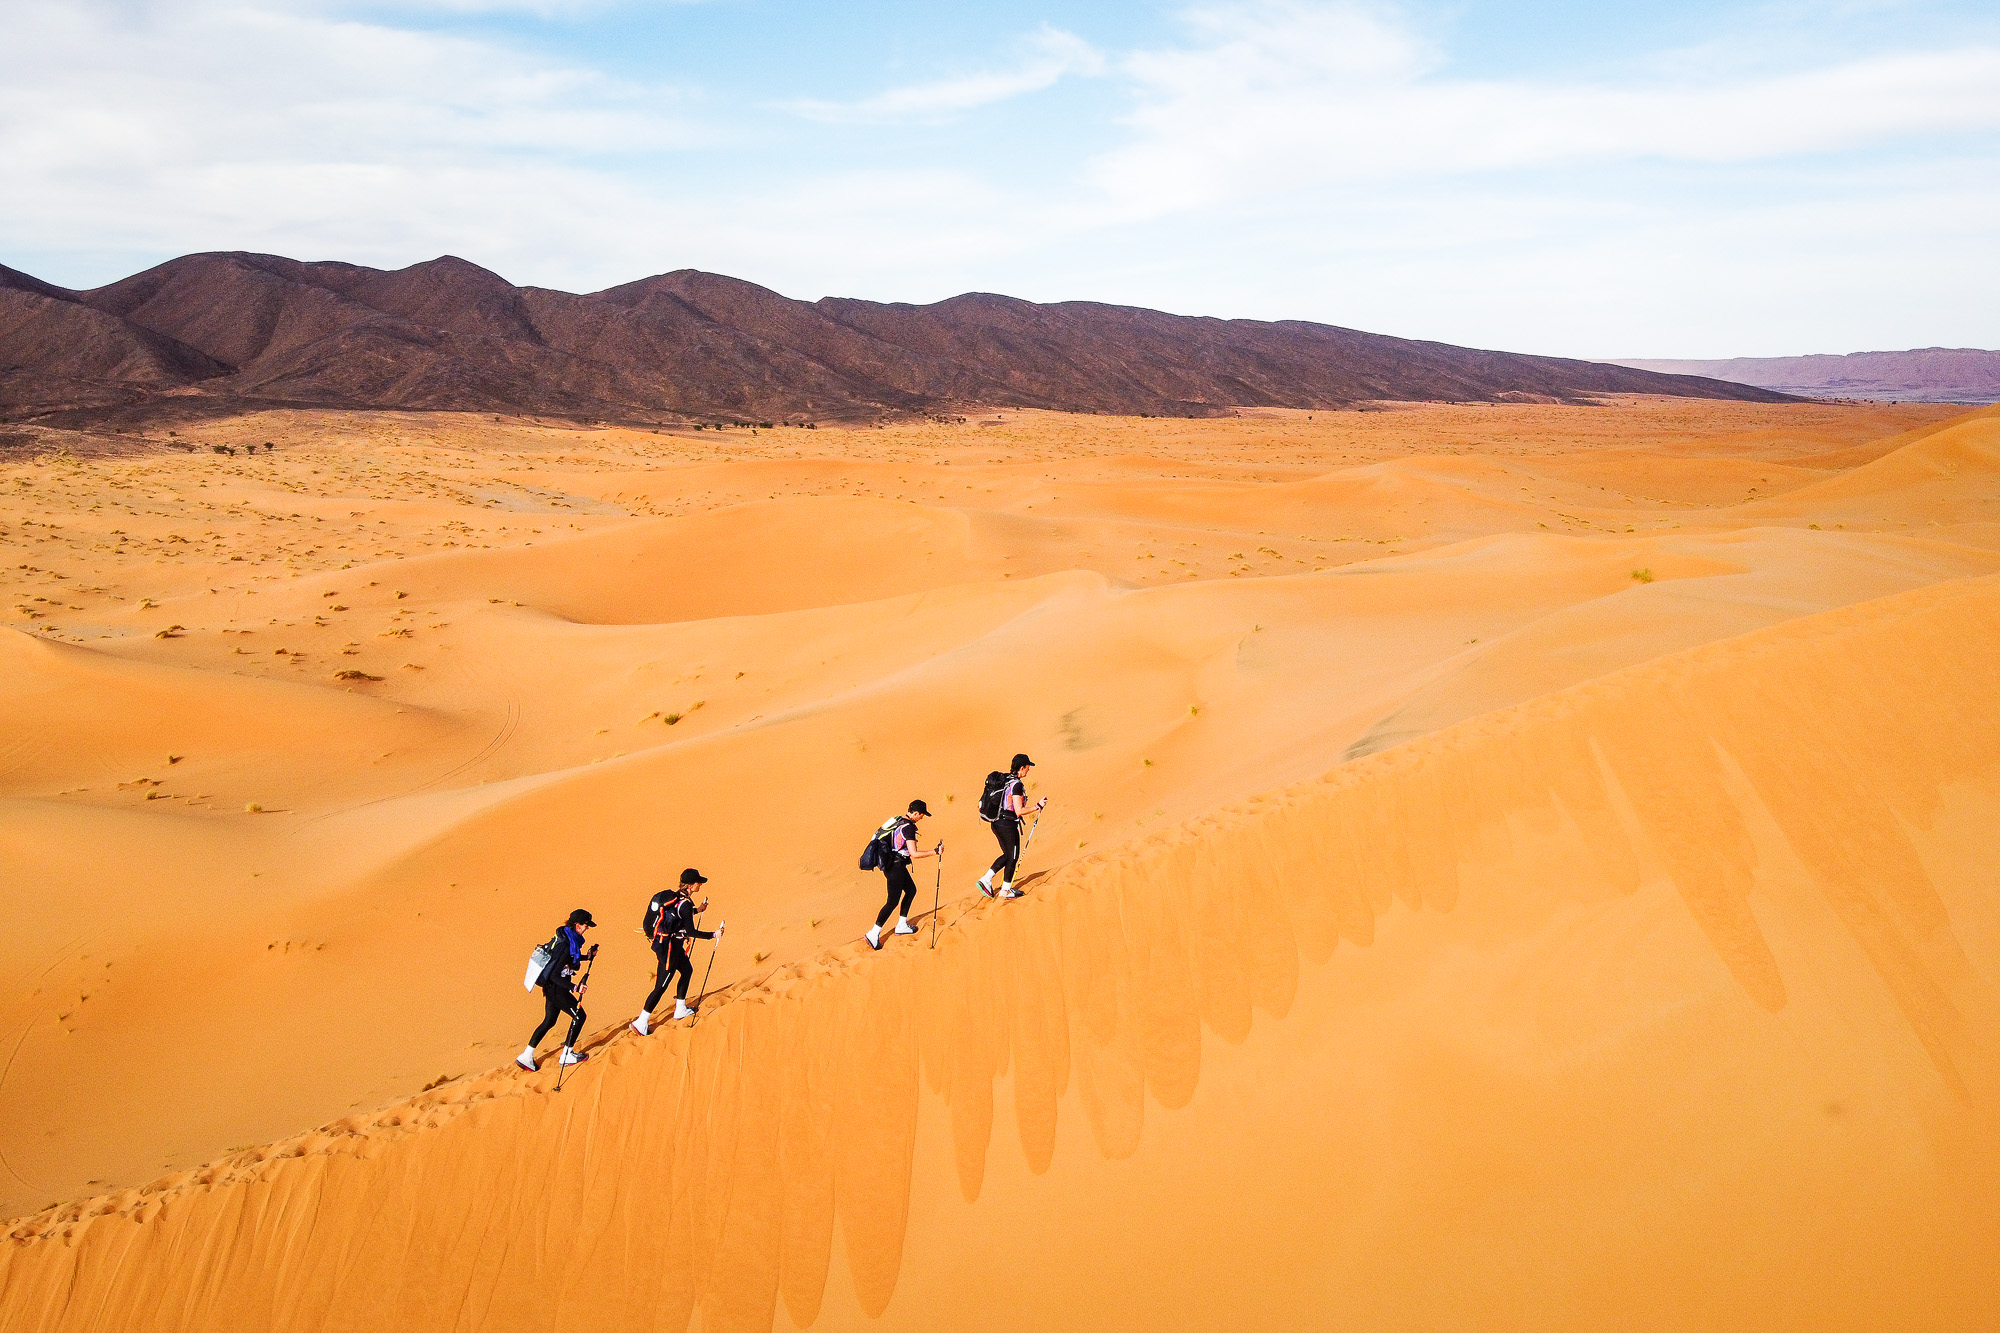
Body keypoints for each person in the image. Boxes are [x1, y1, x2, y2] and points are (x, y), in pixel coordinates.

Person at [634, 869, 725, 1032]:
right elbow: (690, 931)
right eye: (698, 883)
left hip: (670, 944)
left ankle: (680, 1008)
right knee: (661, 985)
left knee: (687, 970)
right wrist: (714, 934)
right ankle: (641, 1022)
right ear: (690, 885)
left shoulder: (678, 898)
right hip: (669, 948)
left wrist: (698, 910)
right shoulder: (685, 903)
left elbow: (677, 915)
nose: (700, 885)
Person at [519, 909, 597, 1071]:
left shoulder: (567, 938)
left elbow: (567, 959)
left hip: (552, 988)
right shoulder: (567, 944)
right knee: (579, 1016)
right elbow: (555, 974)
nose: (587, 928)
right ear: (577, 925)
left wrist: (586, 957)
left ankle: (526, 1056)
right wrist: (575, 987)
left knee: (549, 1021)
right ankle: (567, 1054)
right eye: (585, 925)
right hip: (556, 988)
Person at [868, 799, 940, 950]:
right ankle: (873, 933)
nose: (922, 818)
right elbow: (914, 853)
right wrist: (935, 852)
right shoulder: (908, 828)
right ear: (915, 813)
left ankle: (901, 924)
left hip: (893, 864)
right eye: (921, 815)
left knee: (911, 890)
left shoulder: (897, 819)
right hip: (895, 867)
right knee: (892, 901)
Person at [979, 753, 1045, 900]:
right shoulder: (1016, 785)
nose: (1028, 770)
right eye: (1028, 767)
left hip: (997, 823)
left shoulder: (1006, 779)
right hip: (1007, 825)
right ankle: (1000, 887)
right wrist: (1037, 806)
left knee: (1009, 855)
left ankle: (994, 883)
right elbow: (1019, 810)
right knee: (1012, 856)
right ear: (1022, 768)